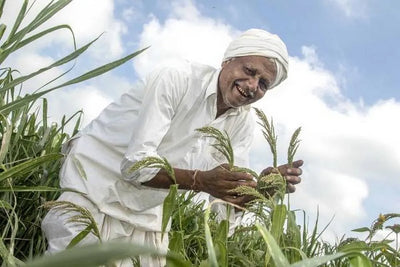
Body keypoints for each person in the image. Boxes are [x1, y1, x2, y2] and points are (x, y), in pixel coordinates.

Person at [42, 28, 303, 266]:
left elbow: (226, 195)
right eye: (249, 71)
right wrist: (201, 180)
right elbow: (136, 165)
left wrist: (261, 189)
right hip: (94, 185)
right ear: (227, 61)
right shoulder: (177, 78)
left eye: (264, 84)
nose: (252, 86)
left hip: (147, 212)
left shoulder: (243, 123)